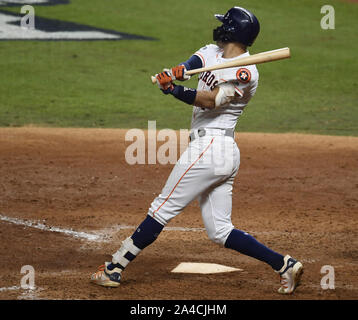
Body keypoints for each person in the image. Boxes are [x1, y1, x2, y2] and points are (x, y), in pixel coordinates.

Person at [91, 6, 303, 295]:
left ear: (231, 30)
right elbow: (191, 65)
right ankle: (284, 264)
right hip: (220, 152)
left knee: (161, 208)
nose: (218, 28)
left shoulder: (246, 72)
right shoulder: (212, 52)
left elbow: (211, 101)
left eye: (223, 24)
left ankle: (114, 268)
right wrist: (177, 72)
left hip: (211, 148)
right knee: (220, 231)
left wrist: (175, 90)